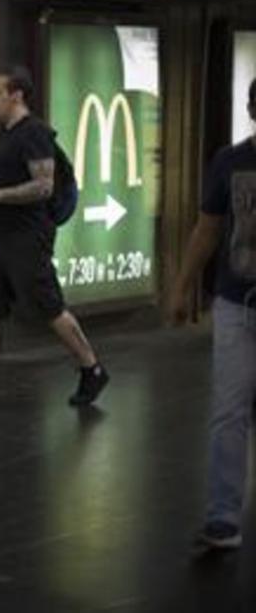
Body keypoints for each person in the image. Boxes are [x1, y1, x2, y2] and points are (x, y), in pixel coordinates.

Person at [0, 67, 109, 409]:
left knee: (49, 306)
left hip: (26, 237)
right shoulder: (7, 133)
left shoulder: (34, 133)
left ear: (16, 95)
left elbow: (43, 186)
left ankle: (91, 367)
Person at [170, 77, 256, 551]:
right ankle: (223, 515)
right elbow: (207, 228)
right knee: (229, 410)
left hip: (233, 301)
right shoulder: (230, 162)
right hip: (236, 302)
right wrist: (183, 286)